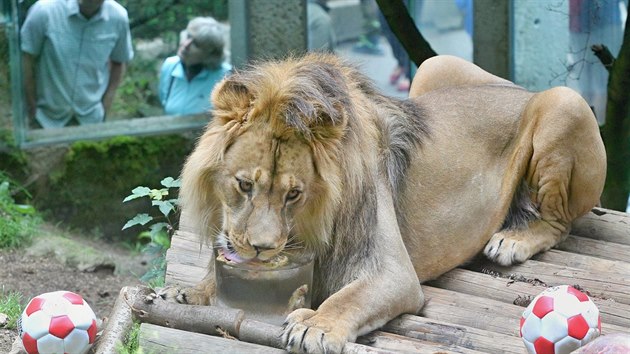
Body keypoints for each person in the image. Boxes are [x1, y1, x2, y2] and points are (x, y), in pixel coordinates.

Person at [21, 0, 134, 128]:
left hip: (91, 119)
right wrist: (32, 106)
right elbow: (26, 58)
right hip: (46, 119)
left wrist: (106, 104)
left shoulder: (118, 17)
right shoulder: (45, 11)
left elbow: (119, 62)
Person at [159, 17, 231, 116]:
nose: (186, 45)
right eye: (188, 36)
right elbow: (164, 101)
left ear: (210, 54)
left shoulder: (225, 76)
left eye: (196, 44)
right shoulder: (170, 65)